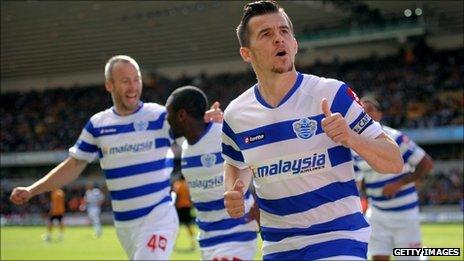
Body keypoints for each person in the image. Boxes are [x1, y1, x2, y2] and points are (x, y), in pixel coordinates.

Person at [221, 1, 403, 260]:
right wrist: (233, 191)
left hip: (338, 238)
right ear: (246, 54)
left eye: (284, 32)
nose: (278, 39)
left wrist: (351, 138)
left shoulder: (332, 94)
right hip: (278, 246)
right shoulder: (236, 114)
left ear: (294, 44)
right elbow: (236, 163)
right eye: (266, 34)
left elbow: (394, 161)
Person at [9, 55, 223, 260]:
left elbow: (194, 131)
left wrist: (209, 121)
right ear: (109, 85)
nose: (133, 87)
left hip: (159, 216)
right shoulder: (98, 125)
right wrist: (32, 189)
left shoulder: (159, 116)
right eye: (125, 81)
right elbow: (74, 164)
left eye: (136, 79)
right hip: (124, 225)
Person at [166, 86, 259, 260]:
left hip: (237, 234)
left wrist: (260, 201)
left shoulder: (223, 134)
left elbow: (260, 159)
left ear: (181, 116)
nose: (167, 120)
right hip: (207, 240)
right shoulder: (183, 143)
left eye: (169, 114)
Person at [353, 96, 434, 260]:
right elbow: (357, 182)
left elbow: (426, 163)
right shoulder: (355, 145)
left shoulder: (395, 137)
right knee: (378, 257)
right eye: (362, 110)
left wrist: (399, 184)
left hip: (405, 213)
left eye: (370, 110)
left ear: (380, 115)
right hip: (377, 214)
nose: (365, 114)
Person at [171, 175, 196, 250]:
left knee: (176, 226)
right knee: (189, 226)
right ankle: (193, 243)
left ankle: (173, 244)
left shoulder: (177, 184)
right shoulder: (188, 185)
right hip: (187, 207)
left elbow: (175, 196)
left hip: (180, 208)